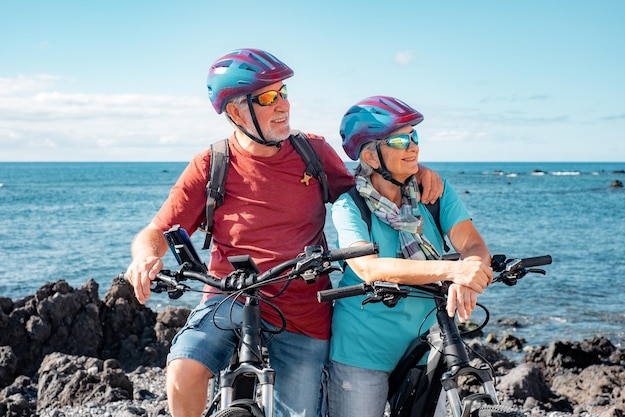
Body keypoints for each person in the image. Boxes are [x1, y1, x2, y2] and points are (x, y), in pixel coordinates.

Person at [124, 49, 443, 417]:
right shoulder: (212, 163)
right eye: (267, 98)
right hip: (229, 297)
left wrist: (415, 172)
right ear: (235, 112)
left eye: (283, 92)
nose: (282, 106)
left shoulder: (313, 152)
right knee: (182, 369)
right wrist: (145, 256)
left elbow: (370, 191)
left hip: (304, 309)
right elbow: (157, 230)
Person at [327, 96, 493, 417]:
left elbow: (472, 244)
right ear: (370, 156)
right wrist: (452, 271)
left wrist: (471, 268)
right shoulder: (350, 205)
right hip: (363, 348)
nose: (413, 146)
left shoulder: (433, 193)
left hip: (428, 343)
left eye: (414, 136)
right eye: (400, 140)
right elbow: (368, 267)